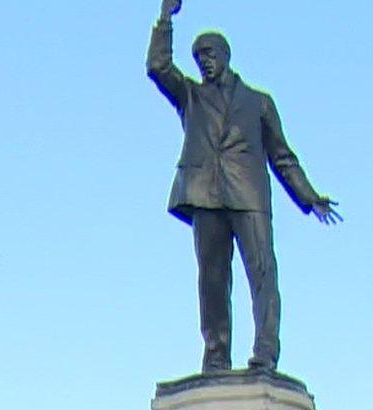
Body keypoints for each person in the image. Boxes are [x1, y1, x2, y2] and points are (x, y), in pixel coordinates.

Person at [146, 0, 341, 373]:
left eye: (209, 53)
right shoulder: (191, 96)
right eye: (198, 55)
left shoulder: (258, 102)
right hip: (205, 194)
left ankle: (266, 353)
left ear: (225, 55)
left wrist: (309, 196)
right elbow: (158, 67)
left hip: (249, 196)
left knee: (263, 274)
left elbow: (282, 156)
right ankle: (216, 355)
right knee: (212, 280)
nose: (203, 61)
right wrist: (165, 19)